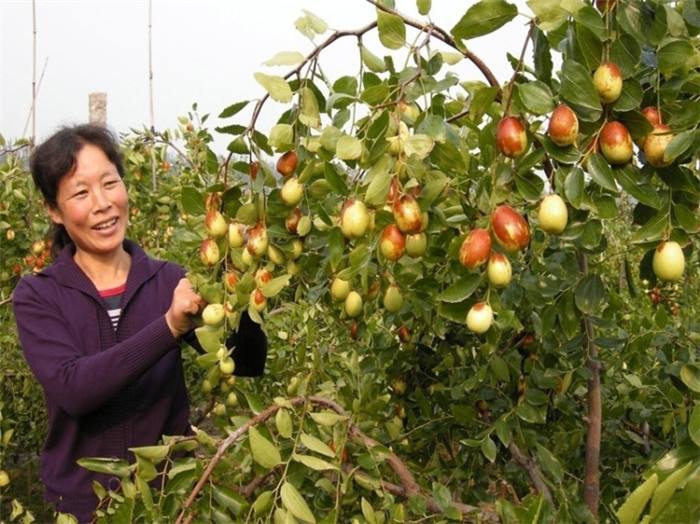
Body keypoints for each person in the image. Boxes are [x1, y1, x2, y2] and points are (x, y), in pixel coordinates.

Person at [12, 124, 267, 522]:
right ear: (54, 211)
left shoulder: (169, 281)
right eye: (81, 193)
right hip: (81, 510)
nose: (102, 204)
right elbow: (74, 389)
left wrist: (243, 283)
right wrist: (169, 327)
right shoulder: (39, 295)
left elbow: (246, 362)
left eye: (109, 183)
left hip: (171, 503)